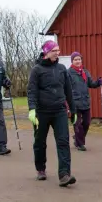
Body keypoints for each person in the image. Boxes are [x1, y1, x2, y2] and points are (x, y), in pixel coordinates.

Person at [27, 40, 77, 187]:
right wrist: (32, 109)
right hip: (42, 112)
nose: (57, 53)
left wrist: (73, 110)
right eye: (54, 50)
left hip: (59, 111)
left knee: (63, 142)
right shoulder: (37, 70)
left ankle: (64, 174)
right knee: (40, 142)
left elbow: (68, 91)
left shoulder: (62, 69)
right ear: (46, 52)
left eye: (58, 50)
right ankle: (41, 169)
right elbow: (32, 91)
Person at [67, 51, 102, 151]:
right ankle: (80, 143)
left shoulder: (85, 72)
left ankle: (78, 138)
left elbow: (91, 84)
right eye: (75, 60)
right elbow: (66, 88)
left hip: (85, 101)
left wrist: (98, 82)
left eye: (79, 59)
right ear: (72, 61)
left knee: (86, 123)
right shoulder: (68, 73)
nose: (78, 61)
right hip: (74, 103)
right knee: (77, 124)